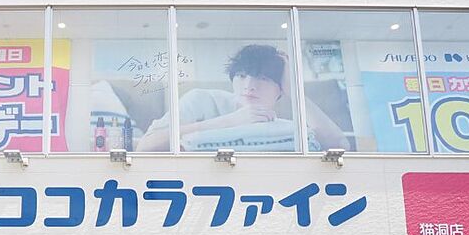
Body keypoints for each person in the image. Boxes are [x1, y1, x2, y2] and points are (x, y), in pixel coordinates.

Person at [137, 44, 349, 152]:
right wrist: (230, 122)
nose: (249, 85)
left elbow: (340, 146)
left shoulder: (281, 127)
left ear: (280, 89)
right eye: (241, 75)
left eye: (263, 78)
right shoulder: (202, 100)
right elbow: (145, 147)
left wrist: (295, 91)